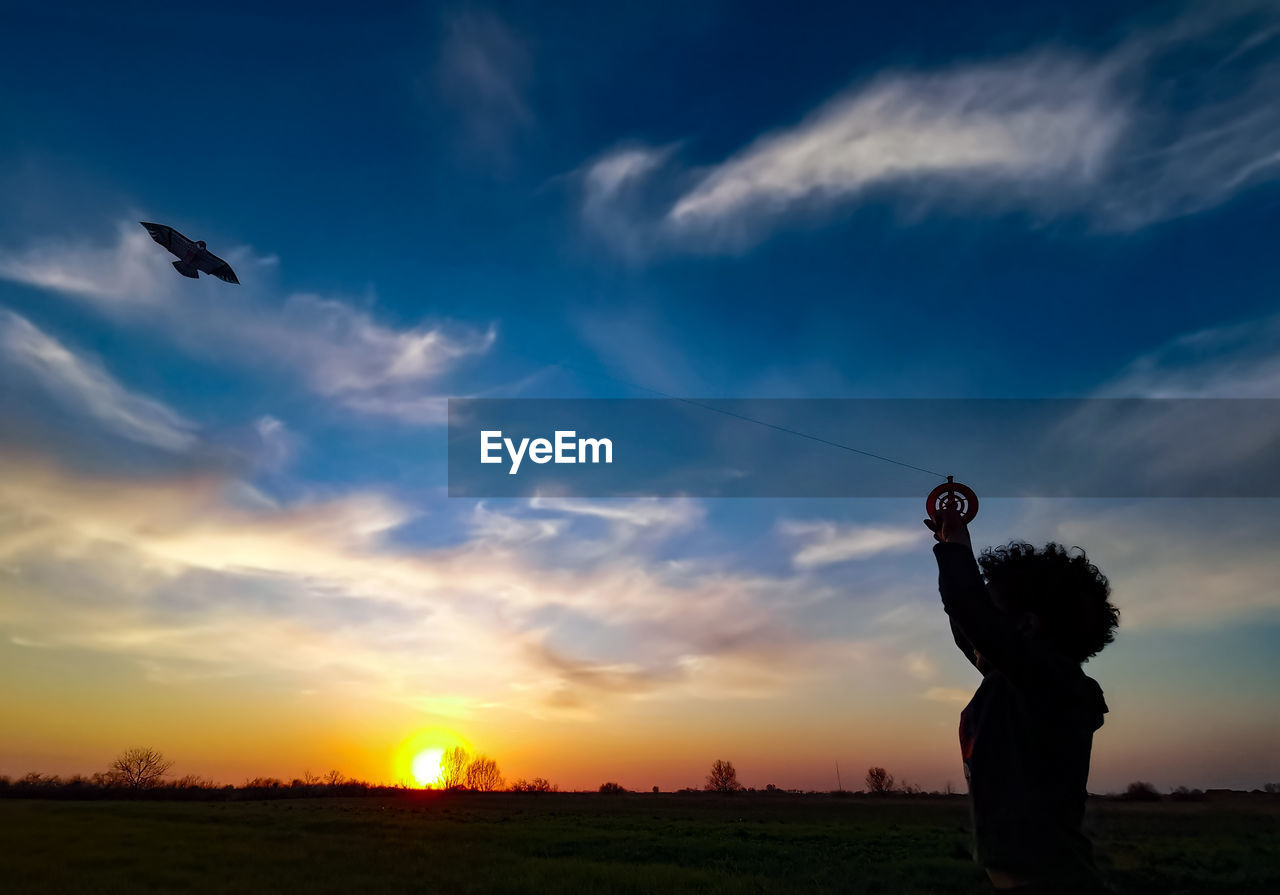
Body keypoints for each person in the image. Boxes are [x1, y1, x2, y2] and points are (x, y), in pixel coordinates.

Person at [925, 507, 1119, 893]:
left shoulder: (1051, 686)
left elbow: (971, 613)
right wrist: (952, 549)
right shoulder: (1019, 682)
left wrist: (958, 550)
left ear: (1026, 627)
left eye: (994, 614)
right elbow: (971, 626)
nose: (983, 634)